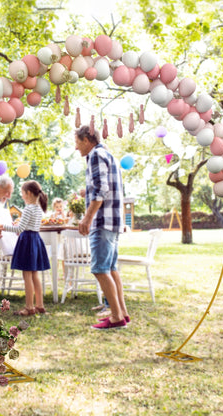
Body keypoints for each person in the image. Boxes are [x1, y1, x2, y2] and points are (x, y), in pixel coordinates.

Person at [75, 125, 129, 329]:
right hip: (114, 221)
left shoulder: (96, 155)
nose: (76, 147)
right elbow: (104, 186)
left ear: (87, 140)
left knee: (99, 269)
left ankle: (115, 317)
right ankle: (122, 312)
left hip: (102, 221)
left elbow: (101, 190)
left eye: (78, 142)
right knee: (111, 269)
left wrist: (87, 218)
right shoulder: (109, 155)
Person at [3, 180, 50, 316]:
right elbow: (26, 225)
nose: (22, 196)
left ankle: (29, 307)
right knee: (34, 274)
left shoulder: (28, 208)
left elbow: (20, 228)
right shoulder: (38, 208)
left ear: (28, 193)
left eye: (22, 193)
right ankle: (39, 305)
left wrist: (3, 226)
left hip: (27, 241)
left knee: (27, 275)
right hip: (35, 239)